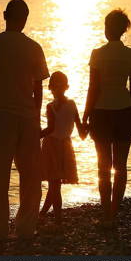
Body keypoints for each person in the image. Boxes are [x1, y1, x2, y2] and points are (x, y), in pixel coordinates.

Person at [0, 0, 49, 242]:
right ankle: (26, 227)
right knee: (30, 176)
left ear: (5, 15)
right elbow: (38, 88)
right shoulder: (34, 47)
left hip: (1, 116)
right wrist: (36, 116)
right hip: (27, 117)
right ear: (25, 18)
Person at [82, 9, 131, 228]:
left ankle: (106, 213)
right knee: (121, 166)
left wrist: (86, 114)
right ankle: (113, 214)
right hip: (125, 110)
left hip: (101, 112)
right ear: (124, 30)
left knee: (103, 166)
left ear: (108, 28)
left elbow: (93, 87)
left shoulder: (97, 53)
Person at [39, 71, 88, 225]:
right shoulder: (72, 104)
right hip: (66, 146)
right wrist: (89, 126)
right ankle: (42, 213)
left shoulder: (50, 106)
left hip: (52, 146)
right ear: (67, 87)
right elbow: (81, 133)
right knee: (55, 184)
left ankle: (58, 219)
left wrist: (34, 136)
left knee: (54, 184)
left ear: (50, 88)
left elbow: (50, 129)